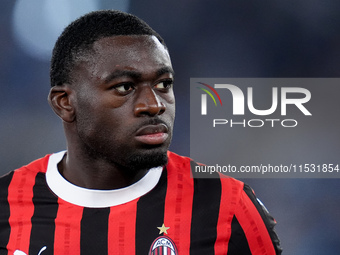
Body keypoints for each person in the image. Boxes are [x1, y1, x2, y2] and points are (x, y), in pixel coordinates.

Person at [0, 10, 282, 255]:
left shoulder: (228, 205)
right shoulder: (6, 206)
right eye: (125, 87)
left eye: (163, 84)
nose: (154, 104)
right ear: (65, 103)